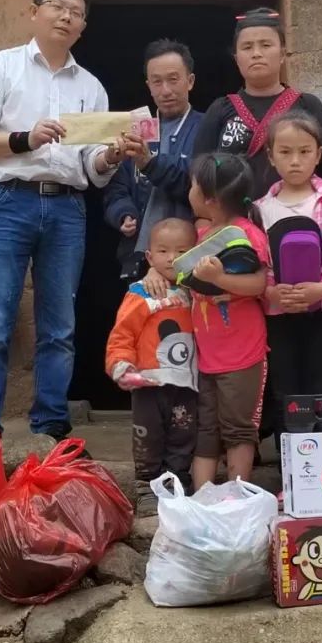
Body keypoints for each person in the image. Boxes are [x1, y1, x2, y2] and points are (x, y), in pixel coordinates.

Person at [0, 0, 124, 440]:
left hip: (68, 209)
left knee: (59, 328)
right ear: (34, 12)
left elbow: (92, 165)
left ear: (83, 26)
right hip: (6, 203)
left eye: (76, 12)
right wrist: (24, 139)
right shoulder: (0, 69)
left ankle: (50, 424)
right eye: (57, 6)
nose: (66, 16)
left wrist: (111, 155)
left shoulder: (91, 87)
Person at [255, 111, 322, 437]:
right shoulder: (259, 209)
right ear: (270, 155)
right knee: (284, 386)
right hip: (277, 313)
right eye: (285, 152)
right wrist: (269, 291)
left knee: (318, 383)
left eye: (304, 151)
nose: (295, 161)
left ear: (319, 154)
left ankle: (320, 462)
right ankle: (290, 469)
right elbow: (259, 259)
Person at [186, 153, 271, 488]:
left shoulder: (246, 233)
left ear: (210, 198)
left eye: (192, 186)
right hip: (208, 353)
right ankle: (201, 499)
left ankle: (237, 499)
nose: (188, 192)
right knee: (206, 428)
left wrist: (220, 279)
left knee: (238, 428)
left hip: (242, 352)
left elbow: (259, 284)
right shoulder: (203, 231)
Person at [105, 218, 199, 517]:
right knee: (148, 435)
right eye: (163, 251)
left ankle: (179, 483)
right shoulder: (140, 293)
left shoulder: (199, 291)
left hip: (186, 381)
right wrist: (120, 364)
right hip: (149, 382)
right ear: (149, 257)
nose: (171, 258)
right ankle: (147, 488)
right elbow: (123, 334)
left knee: (184, 433)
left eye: (181, 251)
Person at [192, 7, 322, 198]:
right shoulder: (220, 109)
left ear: (283, 54)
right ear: (236, 59)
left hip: (298, 219)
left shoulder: (308, 106)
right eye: (247, 47)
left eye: (266, 45)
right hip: (235, 221)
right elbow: (199, 171)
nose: (256, 53)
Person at [104, 39, 205, 280]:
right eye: (157, 82)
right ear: (148, 86)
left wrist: (150, 163)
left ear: (190, 81)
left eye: (173, 79)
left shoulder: (207, 127)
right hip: (142, 255)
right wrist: (123, 213)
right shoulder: (136, 129)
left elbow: (202, 187)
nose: (166, 90)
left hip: (192, 258)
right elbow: (116, 187)